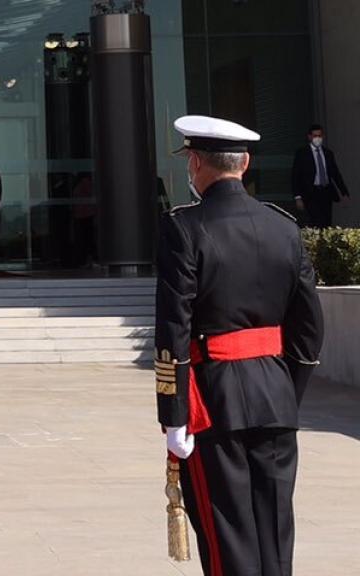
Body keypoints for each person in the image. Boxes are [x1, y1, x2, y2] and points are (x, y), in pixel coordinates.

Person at [157, 115, 324, 575]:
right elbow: (309, 325)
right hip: (275, 392)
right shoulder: (284, 227)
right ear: (245, 163)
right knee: (274, 530)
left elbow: (174, 326)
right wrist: (287, 389)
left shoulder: (183, 227)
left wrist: (174, 415)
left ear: (194, 163)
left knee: (226, 531)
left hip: (213, 401)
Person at [291, 124, 351, 228]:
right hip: (311, 192)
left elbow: (335, 174)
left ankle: (324, 241)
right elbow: (295, 176)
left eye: (320, 136)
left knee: (326, 221)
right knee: (315, 221)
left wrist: (344, 192)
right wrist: (298, 197)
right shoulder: (302, 153)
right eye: (315, 136)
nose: (317, 138)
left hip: (326, 191)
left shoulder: (328, 153)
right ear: (309, 137)